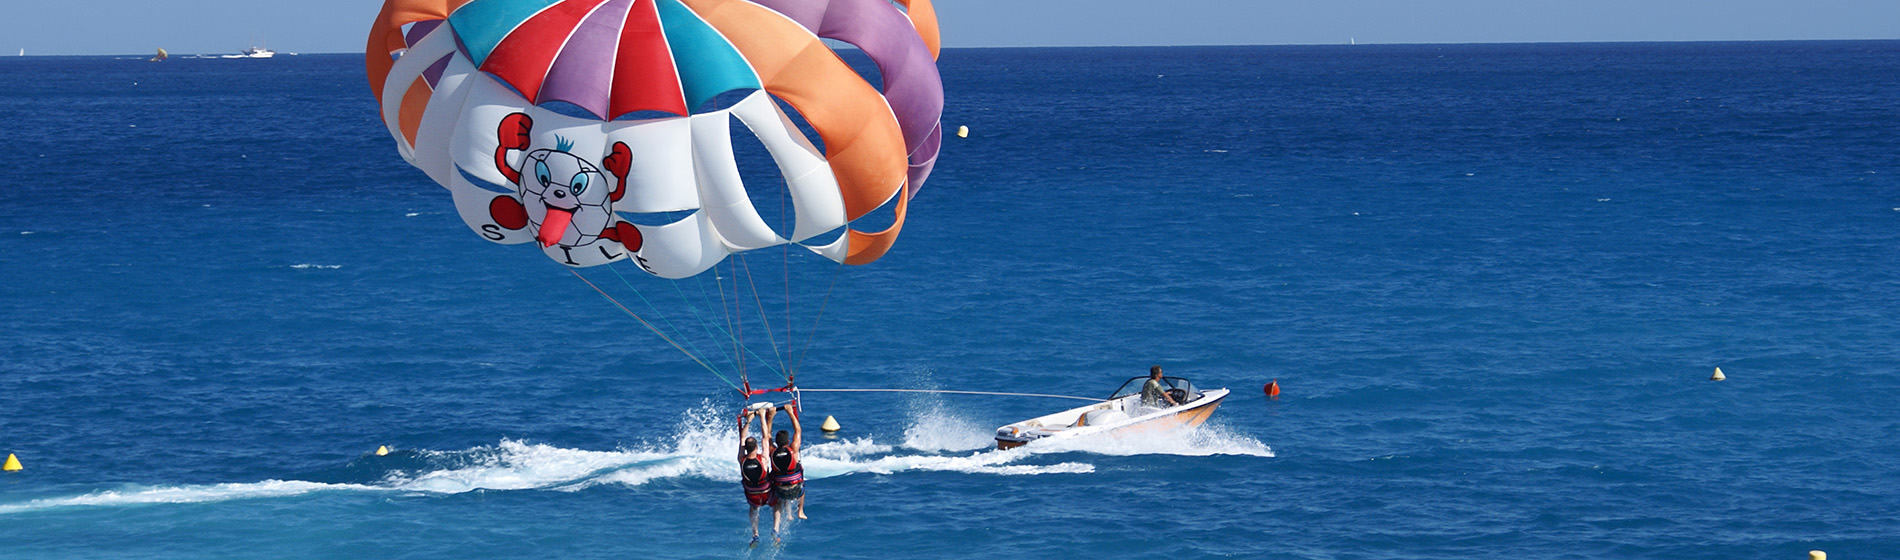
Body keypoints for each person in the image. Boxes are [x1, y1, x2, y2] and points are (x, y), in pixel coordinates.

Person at [764, 404, 807, 525]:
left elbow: (767, 437)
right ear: (788, 441)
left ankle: (785, 516)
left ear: (776, 442)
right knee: (802, 489)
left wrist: (770, 417)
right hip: (796, 491)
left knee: (781, 490)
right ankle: (800, 511)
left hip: (780, 491)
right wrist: (790, 412)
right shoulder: (793, 450)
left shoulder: (772, 451)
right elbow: (798, 431)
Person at [737, 408, 776, 544]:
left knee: (753, 509)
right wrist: (762, 416)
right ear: (756, 448)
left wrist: (748, 421)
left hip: (752, 495)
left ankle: (755, 534)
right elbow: (766, 437)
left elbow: (742, 439)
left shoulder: (741, 459)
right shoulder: (763, 459)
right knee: (777, 506)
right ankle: (775, 530)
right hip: (767, 494)